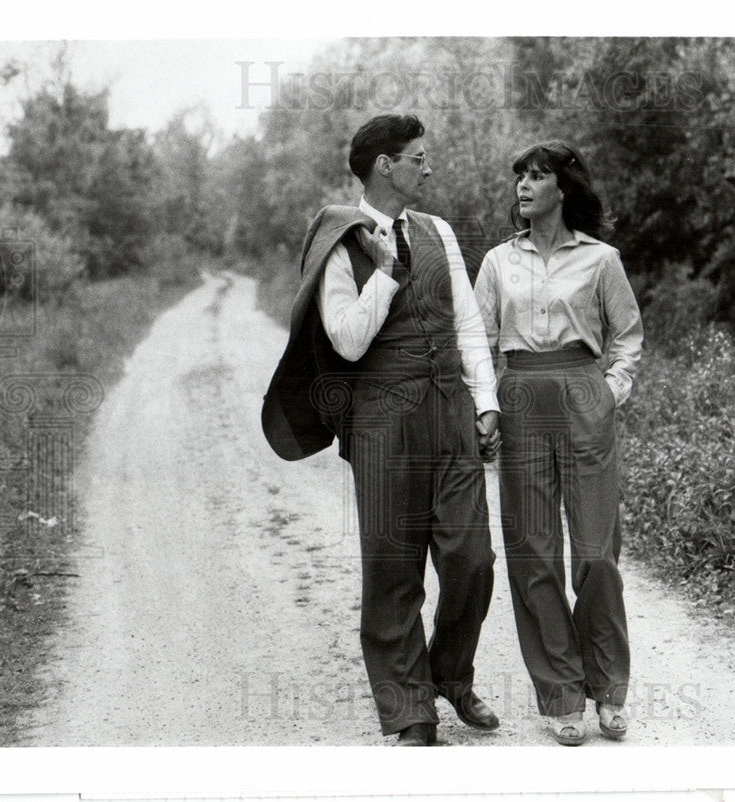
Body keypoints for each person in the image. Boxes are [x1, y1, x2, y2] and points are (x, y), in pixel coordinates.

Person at [261, 114, 501, 746]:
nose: (429, 167)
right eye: (418, 157)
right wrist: (388, 274)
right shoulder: (341, 239)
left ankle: (449, 673)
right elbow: (344, 338)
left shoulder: (440, 232)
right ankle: (409, 710)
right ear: (385, 166)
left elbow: (467, 322)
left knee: (472, 559)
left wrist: (486, 402)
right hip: (383, 421)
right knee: (394, 568)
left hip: (450, 411)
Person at [473, 140, 643, 746]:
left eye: (537, 176)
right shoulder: (497, 262)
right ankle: (562, 693)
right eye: (519, 175)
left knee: (596, 553)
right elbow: (479, 341)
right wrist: (486, 407)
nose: (523, 185)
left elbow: (626, 338)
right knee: (533, 553)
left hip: (581, 390)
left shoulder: (601, 260)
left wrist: (608, 393)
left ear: (562, 189)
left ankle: (609, 687)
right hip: (520, 393)